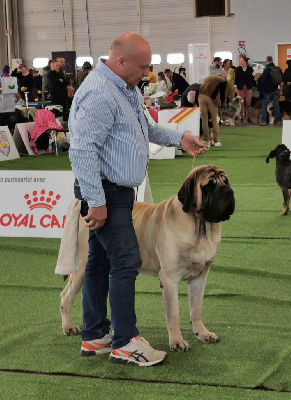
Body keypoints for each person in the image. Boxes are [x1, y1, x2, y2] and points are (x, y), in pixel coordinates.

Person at [68, 32, 204, 367]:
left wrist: (179, 138)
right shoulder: (101, 93)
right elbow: (83, 150)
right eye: (143, 66)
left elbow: (144, 128)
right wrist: (96, 201)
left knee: (99, 263)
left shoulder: (124, 89)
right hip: (105, 193)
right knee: (126, 261)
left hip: (116, 192)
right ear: (121, 60)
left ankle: (95, 335)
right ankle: (125, 342)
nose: (147, 73)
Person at [198, 70, 227, 148]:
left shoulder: (208, 77)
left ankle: (206, 141)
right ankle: (216, 141)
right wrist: (221, 103)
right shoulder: (222, 80)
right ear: (224, 76)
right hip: (211, 98)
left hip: (201, 97)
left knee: (204, 119)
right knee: (214, 119)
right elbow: (222, 93)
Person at [258, 56, 281, 126]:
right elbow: (281, 78)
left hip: (267, 91)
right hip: (276, 89)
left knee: (264, 105)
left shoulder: (267, 69)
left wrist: (259, 80)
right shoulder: (277, 68)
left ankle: (264, 121)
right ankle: (278, 120)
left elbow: (262, 81)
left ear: (267, 61)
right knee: (276, 105)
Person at [234, 56, 255, 123]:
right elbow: (236, 79)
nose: (241, 62)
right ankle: (241, 117)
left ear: (245, 62)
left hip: (248, 87)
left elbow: (252, 78)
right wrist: (235, 87)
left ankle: (248, 117)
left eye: (242, 61)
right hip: (240, 87)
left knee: (248, 103)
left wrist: (253, 85)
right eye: (240, 61)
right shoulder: (238, 69)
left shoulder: (250, 69)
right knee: (241, 103)